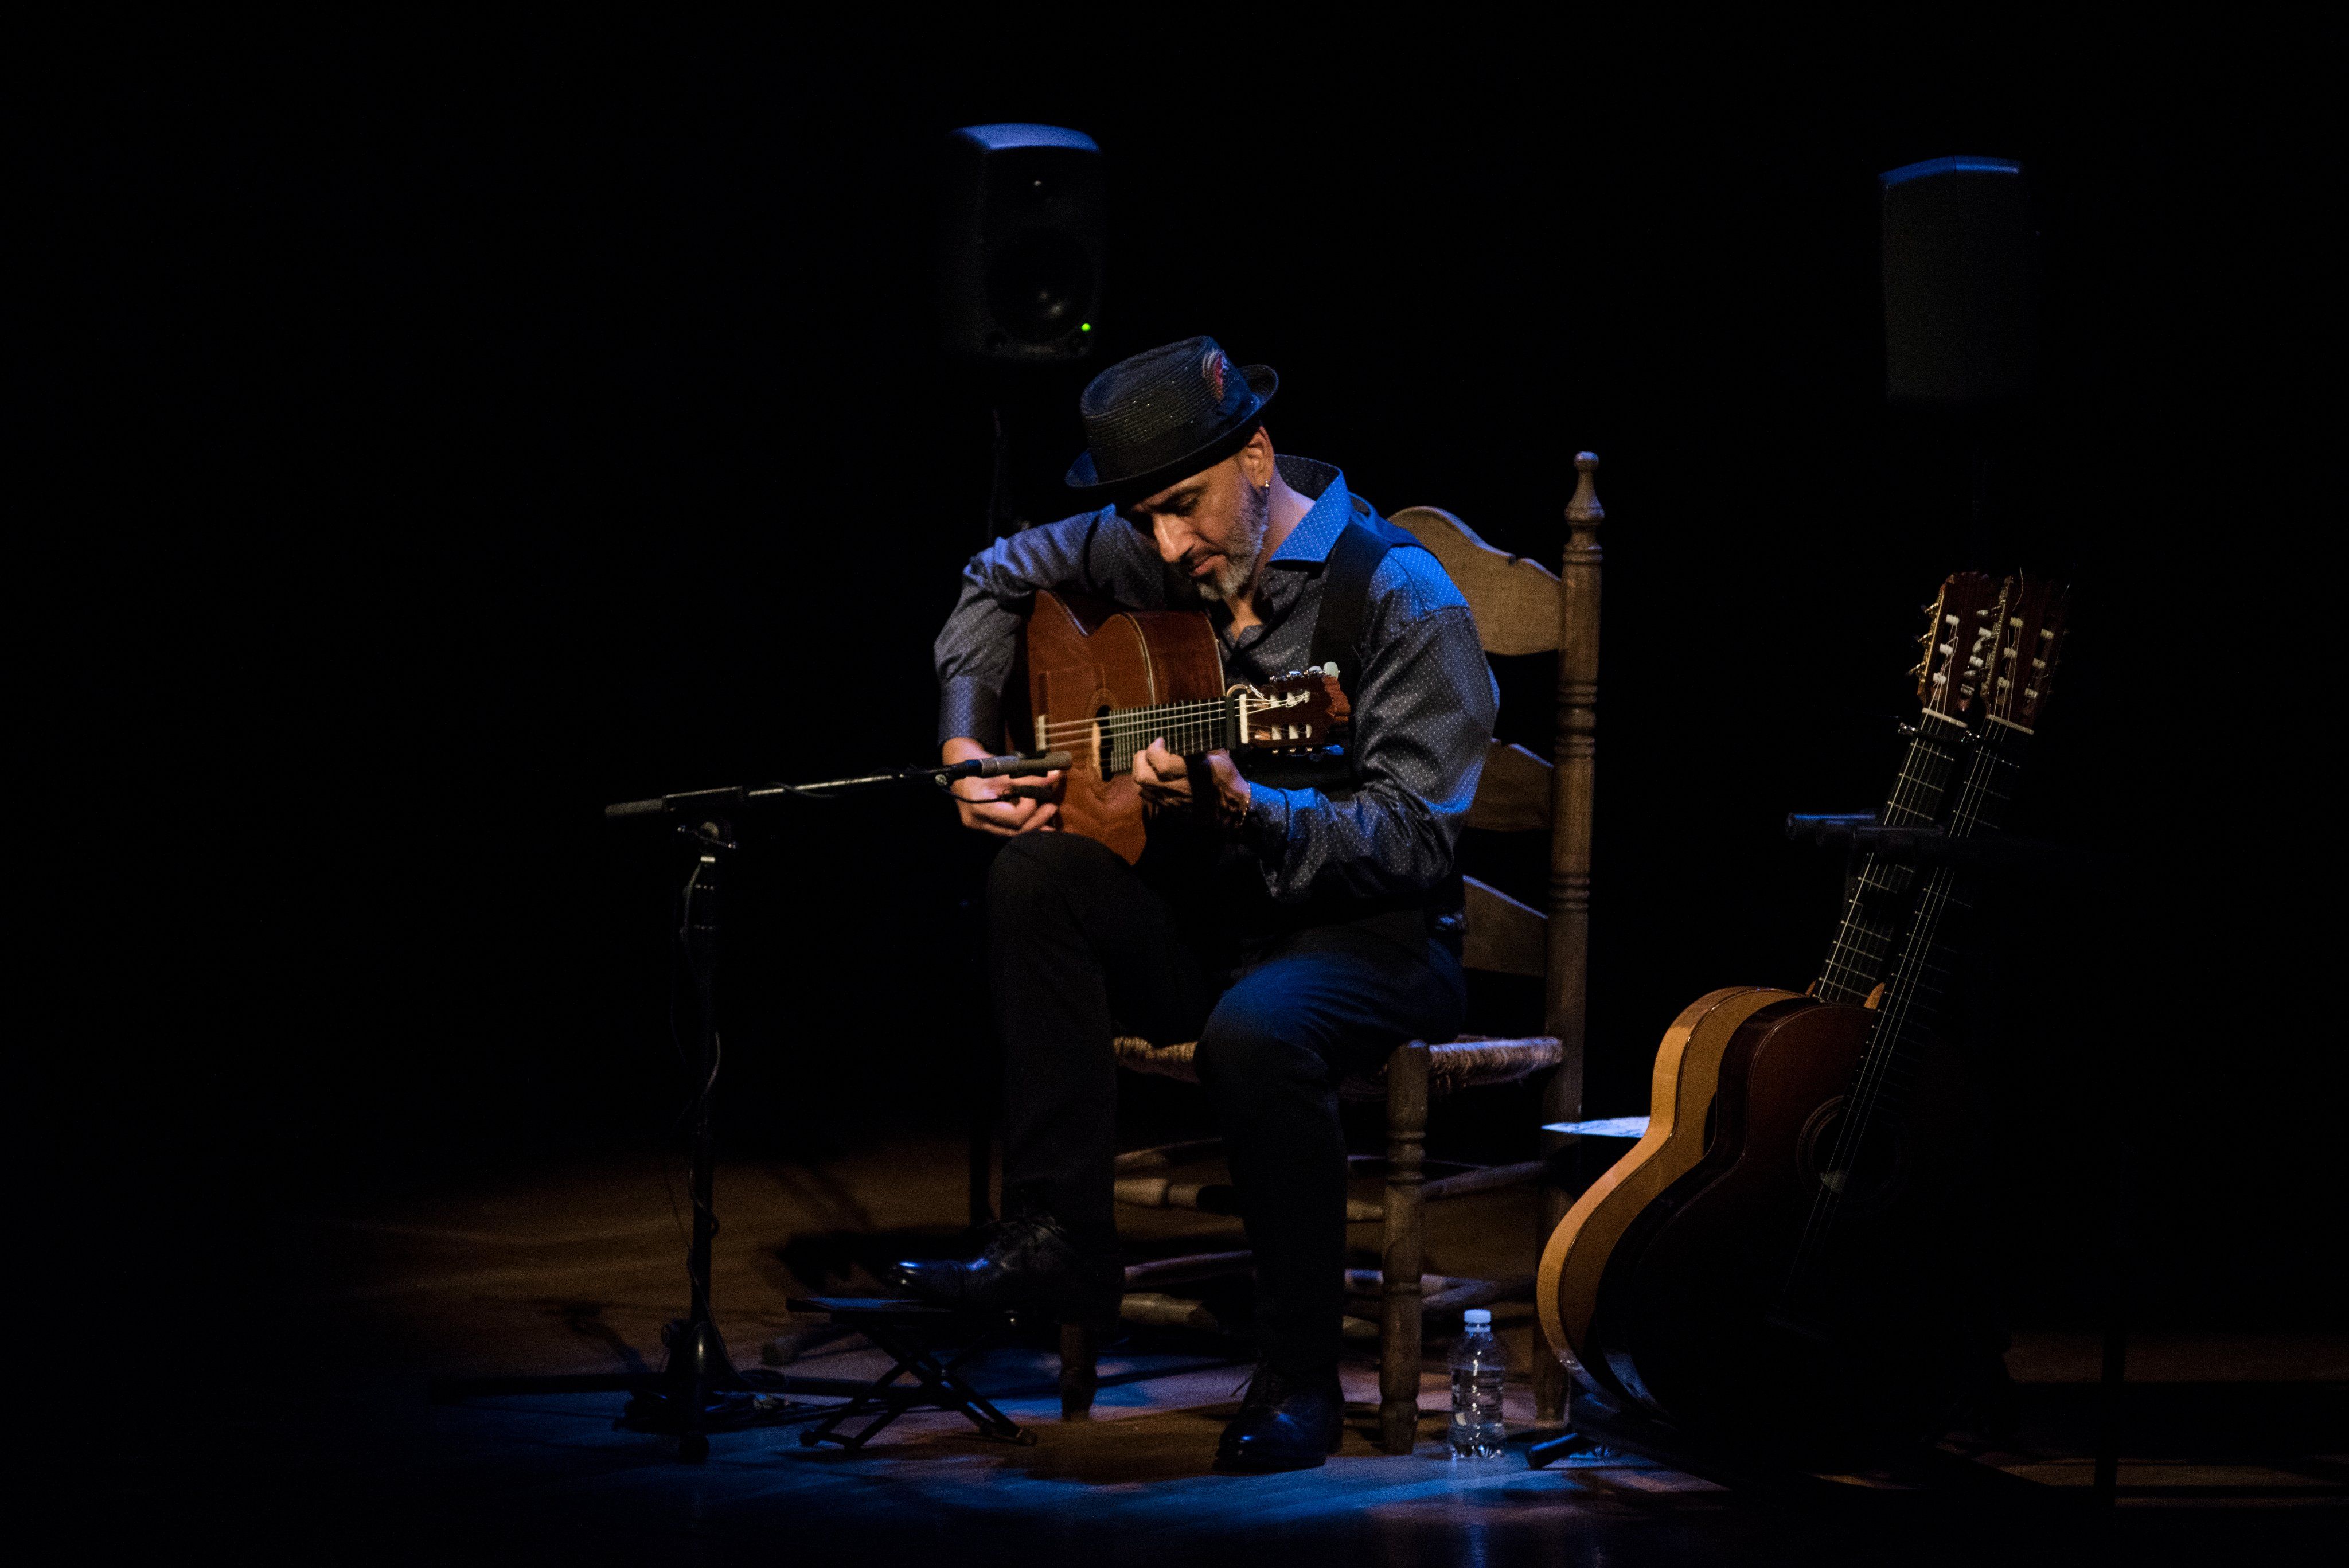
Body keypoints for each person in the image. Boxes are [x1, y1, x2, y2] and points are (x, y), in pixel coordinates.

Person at [892, 336, 1496, 1471]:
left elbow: (1417, 835)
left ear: (1256, 452)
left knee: (1257, 1027)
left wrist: (1255, 809)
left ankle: (1297, 1373)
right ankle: (1062, 1236)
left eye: (1182, 507)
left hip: (1375, 939)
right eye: (1144, 518)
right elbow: (997, 573)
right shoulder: (1153, 548)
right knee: (1033, 875)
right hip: (1222, 925)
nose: (1165, 545)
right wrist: (966, 735)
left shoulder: (1399, 595)